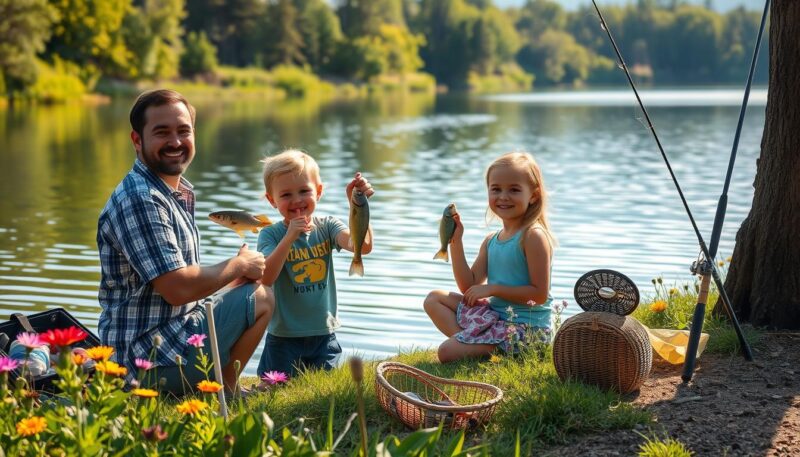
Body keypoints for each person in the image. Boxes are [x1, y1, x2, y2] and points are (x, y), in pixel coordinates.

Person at [97, 89, 273, 395]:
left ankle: (224, 386)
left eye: (183, 131)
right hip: (146, 365)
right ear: (137, 140)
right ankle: (226, 390)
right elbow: (178, 289)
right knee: (263, 298)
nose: (176, 142)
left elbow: (183, 290)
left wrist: (233, 277)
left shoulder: (171, 192)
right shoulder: (141, 199)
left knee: (247, 289)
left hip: (173, 337)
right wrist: (237, 264)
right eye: (162, 132)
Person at [423, 152, 555, 363]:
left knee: (446, 352)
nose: (503, 196)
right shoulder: (491, 240)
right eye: (496, 189)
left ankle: (480, 348)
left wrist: (492, 289)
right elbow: (469, 286)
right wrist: (456, 241)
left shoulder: (533, 236)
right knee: (434, 299)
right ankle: (474, 343)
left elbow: (538, 294)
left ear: (533, 195)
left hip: (526, 329)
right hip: (495, 317)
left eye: (514, 189)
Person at [256, 149, 374, 379]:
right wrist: (289, 237)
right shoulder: (270, 234)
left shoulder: (328, 226)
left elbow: (363, 246)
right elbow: (266, 278)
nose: (297, 200)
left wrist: (358, 207)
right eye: (286, 195)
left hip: (324, 334)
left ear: (318, 192)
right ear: (272, 200)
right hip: (283, 337)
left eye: (304, 191)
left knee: (324, 387)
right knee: (275, 386)